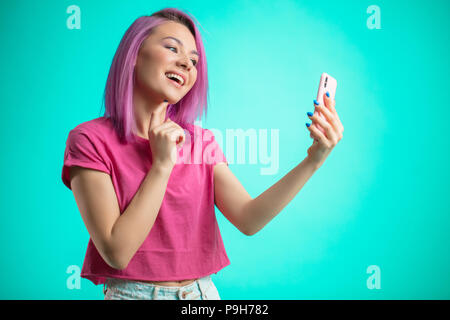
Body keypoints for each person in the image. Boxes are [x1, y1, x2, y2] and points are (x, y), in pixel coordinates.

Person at [61, 7, 344, 300]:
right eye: (172, 48)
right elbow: (116, 253)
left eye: (194, 61)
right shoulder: (89, 141)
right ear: (134, 54)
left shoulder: (201, 142)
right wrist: (161, 165)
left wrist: (314, 159)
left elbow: (249, 218)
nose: (186, 63)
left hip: (202, 295)